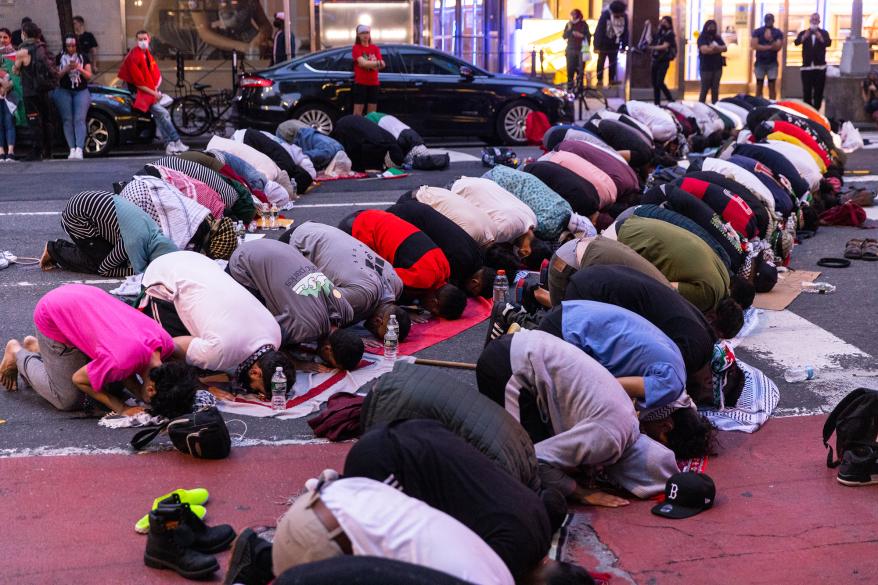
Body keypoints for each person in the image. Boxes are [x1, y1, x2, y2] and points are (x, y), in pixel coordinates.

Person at [342, 421, 584, 584]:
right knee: (380, 553)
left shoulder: (540, 520)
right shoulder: (508, 559)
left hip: (415, 428)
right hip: (383, 462)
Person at [477, 330, 679, 505]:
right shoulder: (609, 439)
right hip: (509, 365)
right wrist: (581, 493)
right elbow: (535, 459)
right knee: (522, 470)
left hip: (524, 347)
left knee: (551, 464)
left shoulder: (630, 424)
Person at [237, 475, 516, 585]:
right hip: (324, 533)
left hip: (343, 502)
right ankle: (256, 560)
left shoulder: (502, 577)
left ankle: (260, 553)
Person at [0, 284, 174, 414]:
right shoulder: (123, 360)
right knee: (68, 399)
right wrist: (122, 408)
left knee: (112, 383)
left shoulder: (165, 344)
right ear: (150, 389)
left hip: (82, 299)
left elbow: (125, 363)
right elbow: (79, 379)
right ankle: (18, 354)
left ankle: (41, 348)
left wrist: (138, 392)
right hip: (53, 315)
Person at [141, 251, 292, 399]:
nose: (255, 393)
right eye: (259, 392)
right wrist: (203, 388)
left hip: (198, 261)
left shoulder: (275, 336)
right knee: (172, 358)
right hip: (163, 273)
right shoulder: (219, 353)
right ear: (255, 373)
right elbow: (169, 346)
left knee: (203, 353)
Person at [227, 239, 364, 373]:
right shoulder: (306, 328)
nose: (325, 362)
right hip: (244, 260)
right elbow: (263, 338)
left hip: (276, 246)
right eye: (329, 361)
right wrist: (297, 363)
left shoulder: (346, 311)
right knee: (252, 322)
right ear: (327, 349)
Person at [537, 300, 686, 410]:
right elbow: (609, 387)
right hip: (569, 333)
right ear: (667, 426)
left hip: (574, 314)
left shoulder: (679, 368)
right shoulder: (670, 386)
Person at [286, 221, 410, 341]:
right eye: (378, 335)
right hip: (297, 241)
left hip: (319, 229)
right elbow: (316, 299)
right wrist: (345, 337)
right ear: (378, 321)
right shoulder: (362, 296)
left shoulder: (397, 284)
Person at [340, 209, 467, 320]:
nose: (428, 311)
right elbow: (382, 281)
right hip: (357, 229)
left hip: (371, 215)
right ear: (434, 302)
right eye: (432, 311)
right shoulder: (423, 279)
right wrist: (400, 312)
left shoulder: (445, 268)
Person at [40, 190, 178, 276]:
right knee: (97, 264)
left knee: (110, 257)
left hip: (87, 207)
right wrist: (137, 271)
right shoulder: (131, 242)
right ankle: (54, 250)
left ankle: (62, 247)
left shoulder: (152, 232)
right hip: (77, 219)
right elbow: (104, 270)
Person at [616, 215, 732, 313]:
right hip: (630, 238)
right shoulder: (708, 297)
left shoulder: (725, 277)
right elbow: (664, 289)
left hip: (640, 222)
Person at [384, 199, 494, 297]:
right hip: (405, 217)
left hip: (416, 208)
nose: (469, 292)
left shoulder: (478, 256)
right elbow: (440, 285)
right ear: (475, 283)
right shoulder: (462, 265)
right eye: (472, 291)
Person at [117, 30, 189, 155]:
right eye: (140, 39)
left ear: (149, 39)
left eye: (144, 39)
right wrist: (154, 93)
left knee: (160, 117)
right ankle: (176, 141)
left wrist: (154, 90)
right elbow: (139, 83)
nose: (143, 42)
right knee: (164, 114)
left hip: (146, 92)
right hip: (140, 93)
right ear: (136, 40)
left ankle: (169, 145)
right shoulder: (135, 56)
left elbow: (150, 75)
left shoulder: (146, 55)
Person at [13, 21, 56, 161]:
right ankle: (48, 150)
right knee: (46, 120)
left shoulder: (22, 51)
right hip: (44, 89)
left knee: (34, 121)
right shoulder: (42, 47)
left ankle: (36, 151)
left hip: (30, 91)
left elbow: (16, 69)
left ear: (24, 34)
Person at [53, 35, 92, 160]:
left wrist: (78, 68)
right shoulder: (59, 57)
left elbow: (89, 75)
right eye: (68, 46)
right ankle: (72, 148)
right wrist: (66, 68)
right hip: (64, 90)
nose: (71, 48)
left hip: (81, 90)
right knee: (67, 120)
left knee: (79, 119)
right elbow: (56, 76)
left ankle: (79, 148)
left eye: (73, 45)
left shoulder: (83, 57)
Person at [795, 13, 831, 110]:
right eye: (812, 19)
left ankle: (816, 110)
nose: (814, 21)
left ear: (819, 21)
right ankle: (808, 111)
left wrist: (820, 38)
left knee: (818, 91)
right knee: (807, 91)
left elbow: (828, 43)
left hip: (820, 67)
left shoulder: (824, 33)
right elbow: (796, 42)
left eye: (816, 20)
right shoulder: (804, 32)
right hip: (806, 67)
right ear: (810, 21)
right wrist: (804, 37)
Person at [593, 0, 628, 86]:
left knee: (613, 62)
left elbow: (625, 32)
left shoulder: (624, 17)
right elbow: (599, 30)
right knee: (601, 62)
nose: (619, 15)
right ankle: (599, 79)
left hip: (615, 43)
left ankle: (611, 79)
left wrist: (623, 45)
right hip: (603, 44)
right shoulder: (605, 15)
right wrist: (596, 46)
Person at [351, 24, 384, 116]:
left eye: (367, 32)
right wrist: (376, 64)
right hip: (361, 83)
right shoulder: (356, 48)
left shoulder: (375, 48)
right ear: (358, 35)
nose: (365, 35)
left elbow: (382, 65)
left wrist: (369, 64)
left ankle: (369, 130)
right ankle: (356, 130)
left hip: (374, 84)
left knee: (372, 114)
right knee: (357, 114)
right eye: (362, 33)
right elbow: (362, 63)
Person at [752, 14, 783, 100]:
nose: (769, 21)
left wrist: (770, 39)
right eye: (767, 19)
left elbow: (778, 46)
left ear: (773, 20)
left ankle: (772, 105)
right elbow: (754, 45)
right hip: (759, 62)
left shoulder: (777, 32)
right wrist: (770, 47)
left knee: (772, 85)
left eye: (770, 19)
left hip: (772, 63)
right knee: (759, 85)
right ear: (764, 20)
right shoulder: (758, 31)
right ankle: (758, 104)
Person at [0, 31, 20, 162]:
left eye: (5, 37)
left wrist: (8, 85)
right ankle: (1, 152)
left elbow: (18, 74)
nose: (2, 40)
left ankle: (11, 152)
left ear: (10, 38)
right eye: (0, 37)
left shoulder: (16, 54)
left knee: (9, 122)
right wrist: (2, 84)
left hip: (11, 93)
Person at [649, 16, 676, 105]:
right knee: (655, 83)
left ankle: (670, 100)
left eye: (666, 22)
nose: (663, 23)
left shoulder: (670, 34)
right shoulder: (659, 32)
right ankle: (657, 103)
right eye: (662, 21)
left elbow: (665, 46)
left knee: (659, 82)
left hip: (664, 60)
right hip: (655, 60)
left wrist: (652, 48)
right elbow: (652, 38)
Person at [698, 20, 726, 103]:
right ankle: (700, 106)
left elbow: (725, 48)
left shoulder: (717, 37)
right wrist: (717, 49)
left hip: (717, 67)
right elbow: (704, 50)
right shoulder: (702, 38)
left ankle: (715, 106)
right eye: (710, 27)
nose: (712, 29)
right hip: (706, 67)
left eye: (714, 27)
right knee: (704, 89)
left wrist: (714, 48)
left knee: (715, 89)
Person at [563, 9, 591, 92]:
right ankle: (570, 89)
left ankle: (580, 89)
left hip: (581, 50)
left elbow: (588, 36)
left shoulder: (583, 24)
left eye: (574, 15)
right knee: (570, 71)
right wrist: (569, 29)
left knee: (580, 71)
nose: (573, 16)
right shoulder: (569, 24)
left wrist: (581, 35)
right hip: (570, 49)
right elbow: (564, 36)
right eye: (572, 15)